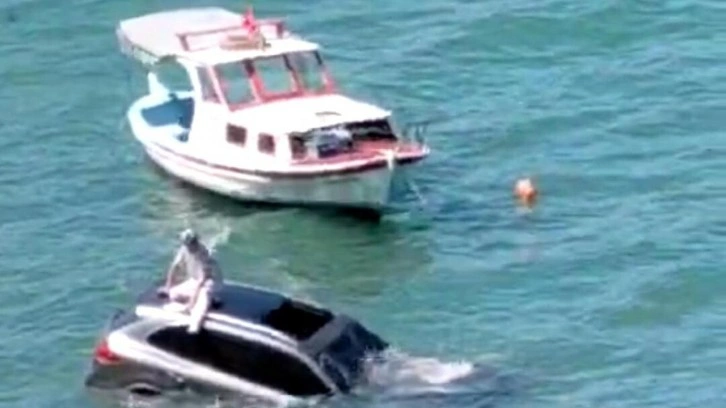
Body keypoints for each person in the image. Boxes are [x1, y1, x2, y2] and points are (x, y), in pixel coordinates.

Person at [158, 229, 224, 334]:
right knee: (173, 294)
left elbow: (203, 278)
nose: (190, 246)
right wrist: (168, 287)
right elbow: (174, 267)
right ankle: (194, 304)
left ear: (196, 241)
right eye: (188, 243)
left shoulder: (203, 253)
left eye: (192, 242)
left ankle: (194, 326)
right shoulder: (184, 249)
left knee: (203, 298)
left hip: (209, 281)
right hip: (195, 280)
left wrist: (192, 302)